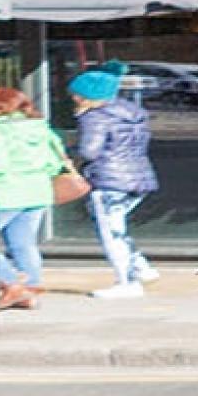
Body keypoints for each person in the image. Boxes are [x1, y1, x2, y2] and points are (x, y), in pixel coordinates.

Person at [0, 83, 76, 313]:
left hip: (6, 193)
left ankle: (12, 285)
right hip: (38, 192)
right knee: (24, 244)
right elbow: (54, 163)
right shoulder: (40, 127)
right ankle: (31, 289)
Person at [67, 67, 162, 298]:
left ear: (87, 96)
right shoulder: (134, 114)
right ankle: (141, 267)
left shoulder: (95, 117)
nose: (73, 98)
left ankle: (127, 282)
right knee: (117, 228)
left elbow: (89, 151)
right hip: (139, 177)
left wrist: (70, 154)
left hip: (109, 179)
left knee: (111, 234)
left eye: (76, 94)